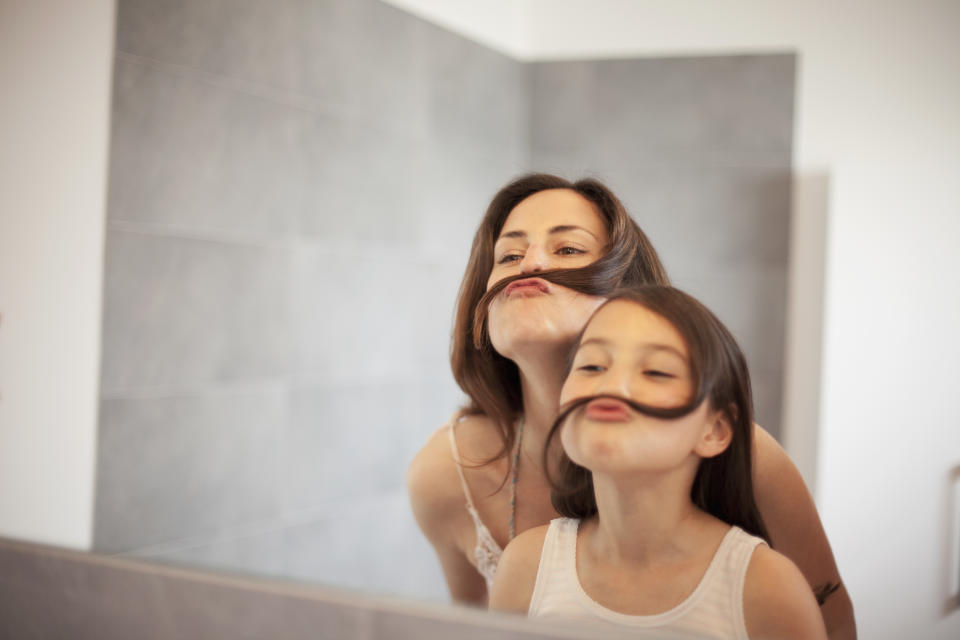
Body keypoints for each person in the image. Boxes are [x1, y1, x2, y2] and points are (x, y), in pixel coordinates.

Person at [407, 174, 855, 638]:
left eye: (567, 250)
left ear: (630, 293)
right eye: (508, 255)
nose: (530, 265)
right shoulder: (443, 476)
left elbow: (831, 619)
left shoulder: (748, 460)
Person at [488, 286, 827, 639]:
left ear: (715, 429)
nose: (612, 385)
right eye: (592, 366)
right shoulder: (525, 567)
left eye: (656, 372)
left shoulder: (768, 589)